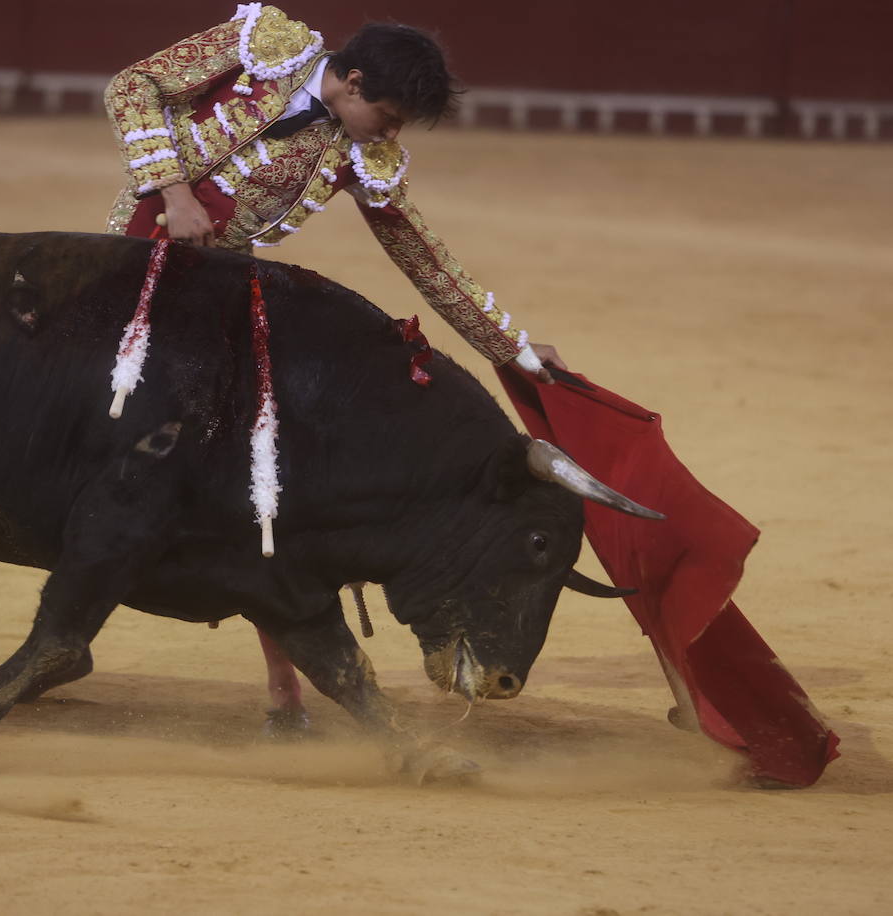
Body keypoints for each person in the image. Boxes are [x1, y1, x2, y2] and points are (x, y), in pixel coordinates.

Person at [103, 3, 556, 733]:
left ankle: (286, 690)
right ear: (350, 80)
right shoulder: (267, 45)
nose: (392, 131)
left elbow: (426, 259)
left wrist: (513, 347)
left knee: (261, 478)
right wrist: (175, 191)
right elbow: (133, 86)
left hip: (213, 296)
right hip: (124, 265)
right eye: (389, 112)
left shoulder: (362, 158)